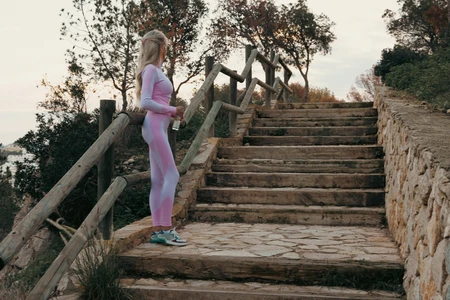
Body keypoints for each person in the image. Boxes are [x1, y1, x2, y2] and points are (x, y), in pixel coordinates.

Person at [135, 29, 187, 246]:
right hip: (155, 126)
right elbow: (145, 102)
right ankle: (166, 229)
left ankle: (158, 231)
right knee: (172, 175)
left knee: (158, 181)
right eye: (166, 45)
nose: (167, 49)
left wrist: (172, 113)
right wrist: (172, 109)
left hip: (158, 127)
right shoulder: (150, 70)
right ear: (160, 46)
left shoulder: (156, 70)